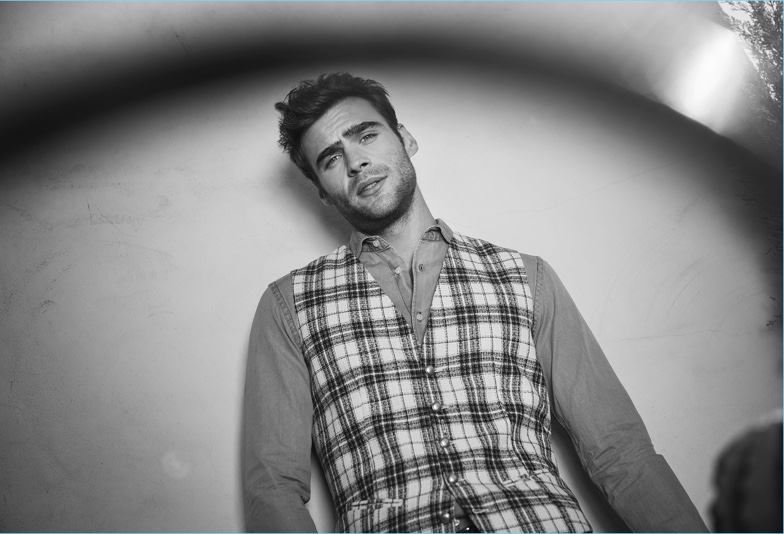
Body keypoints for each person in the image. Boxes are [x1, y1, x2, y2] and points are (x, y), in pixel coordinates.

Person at [244, 72, 708, 532]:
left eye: (366, 135)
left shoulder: (527, 277)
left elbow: (620, 451)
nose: (356, 161)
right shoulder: (289, 306)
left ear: (405, 139)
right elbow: (274, 489)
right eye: (330, 158)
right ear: (322, 192)